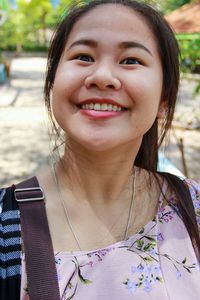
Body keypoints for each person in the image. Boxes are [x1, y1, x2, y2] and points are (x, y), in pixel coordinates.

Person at [0, 0, 200, 299]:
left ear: (164, 100)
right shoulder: (6, 223)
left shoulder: (192, 211)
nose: (102, 77)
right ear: (52, 82)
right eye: (83, 56)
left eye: (131, 60)